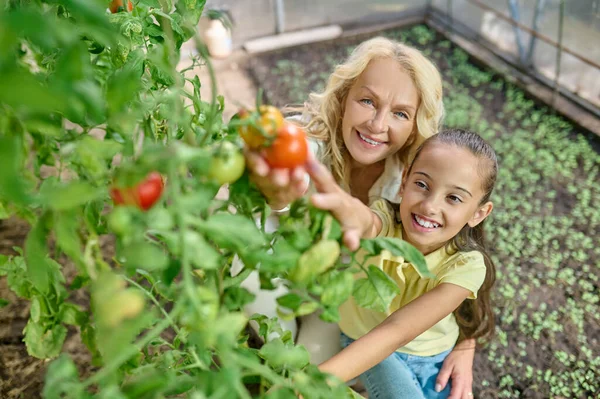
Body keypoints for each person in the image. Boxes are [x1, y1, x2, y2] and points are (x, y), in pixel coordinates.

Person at [243, 37, 477, 397]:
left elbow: (456, 255)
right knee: (287, 352)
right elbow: (290, 178)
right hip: (282, 268)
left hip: (342, 297)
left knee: (318, 361)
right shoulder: (304, 140)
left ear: (416, 123)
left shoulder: (416, 179)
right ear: (344, 97)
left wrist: (466, 343)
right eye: (367, 101)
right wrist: (280, 195)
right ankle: (277, 334)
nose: (377, 125)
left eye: (400, 113)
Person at [306, 129, 497, 399]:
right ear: (404, 180)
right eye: (422, 185)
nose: (430, 205)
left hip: (433, 357)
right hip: (368, 342)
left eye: (453, 198)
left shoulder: (467, 264)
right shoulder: (386, 220)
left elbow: (408, 326)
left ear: (478, 213)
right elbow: (368, 222)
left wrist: (465, 346)